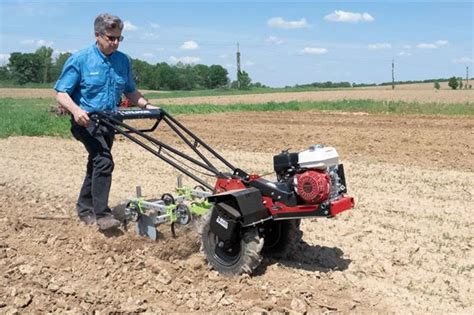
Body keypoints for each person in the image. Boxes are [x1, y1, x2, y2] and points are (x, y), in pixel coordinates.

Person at [54, 13, 157, 230]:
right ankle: (102, 215)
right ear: (97, 35)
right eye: (111, 38)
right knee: (103, 160)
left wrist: (147, 107)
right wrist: (76, 110)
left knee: (97, 162)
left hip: (110, 121)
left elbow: (130, 91)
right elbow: (61, 92)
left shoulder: (122, 60)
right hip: (86, 121)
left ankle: (85, 207)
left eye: (119, 38)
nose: (116, 42)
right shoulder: (80, 59)